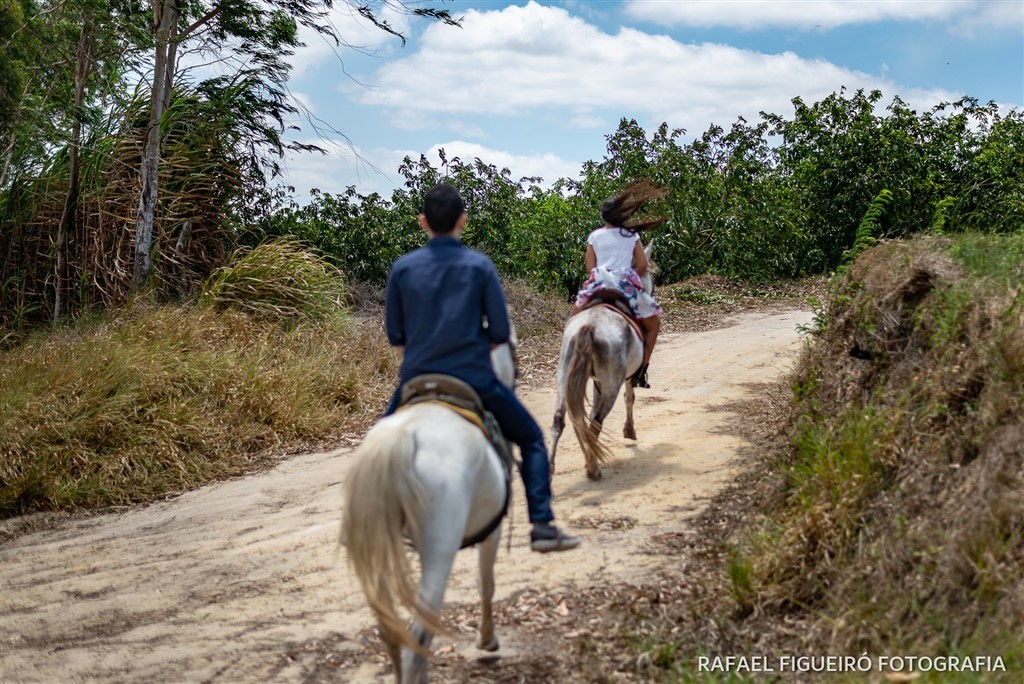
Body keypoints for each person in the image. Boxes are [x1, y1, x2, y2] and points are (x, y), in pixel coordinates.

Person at [383, 183, 581, 554]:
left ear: (422, 221)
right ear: (463, 221)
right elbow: (501, 334)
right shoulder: (479, 266)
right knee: (533, 440)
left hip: (416, 381)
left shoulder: (403, 268)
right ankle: (541, 524)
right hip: (474, 379)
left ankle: (383, 524)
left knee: (376, 448)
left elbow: (397, 338)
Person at [571, 181, 666, 388]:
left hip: (599, 283)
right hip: (624, 285)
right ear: (620, 215)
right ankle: (641, 369)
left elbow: (590, 267)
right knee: (653, 325)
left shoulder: (594, 236)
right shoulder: (631, 236)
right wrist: (628, 277)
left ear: (603, 216)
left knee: (574, 318)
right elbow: (642, 265)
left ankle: (572, 360)